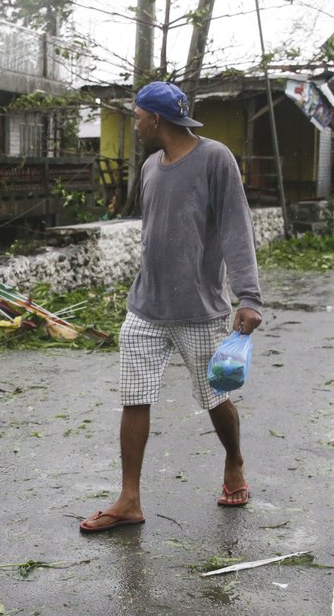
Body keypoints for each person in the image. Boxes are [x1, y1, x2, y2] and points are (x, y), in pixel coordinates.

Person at [79, 81, 264, 533]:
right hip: (145, 306)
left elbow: (236, 228)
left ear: (156, 119)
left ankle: (235, 462)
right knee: (134, 395)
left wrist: (249, 296)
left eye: (138, 116)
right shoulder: (149, 166)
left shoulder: (215, 158)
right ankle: (129, 499)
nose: (135, 122)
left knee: (214, 395)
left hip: (200, 306)